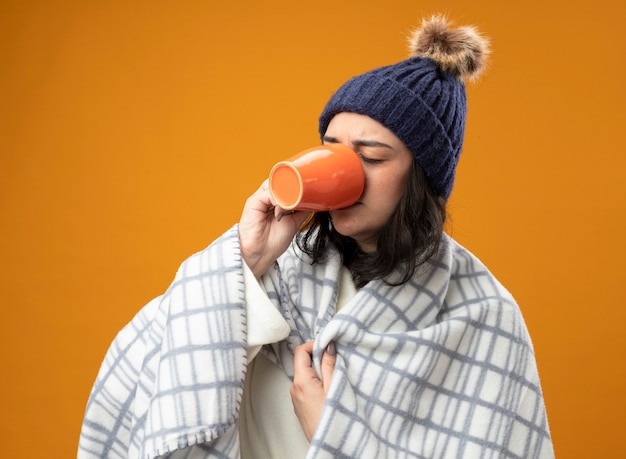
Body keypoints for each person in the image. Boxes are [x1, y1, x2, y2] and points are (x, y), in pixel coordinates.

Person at [78, 15, 554, 459]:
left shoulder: (483, 316)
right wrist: (247, 259)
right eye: (332, 151)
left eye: (370, 157)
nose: (346, 171)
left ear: (421, 179)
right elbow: (161, 370)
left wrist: (333, 431)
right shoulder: (277, 274)